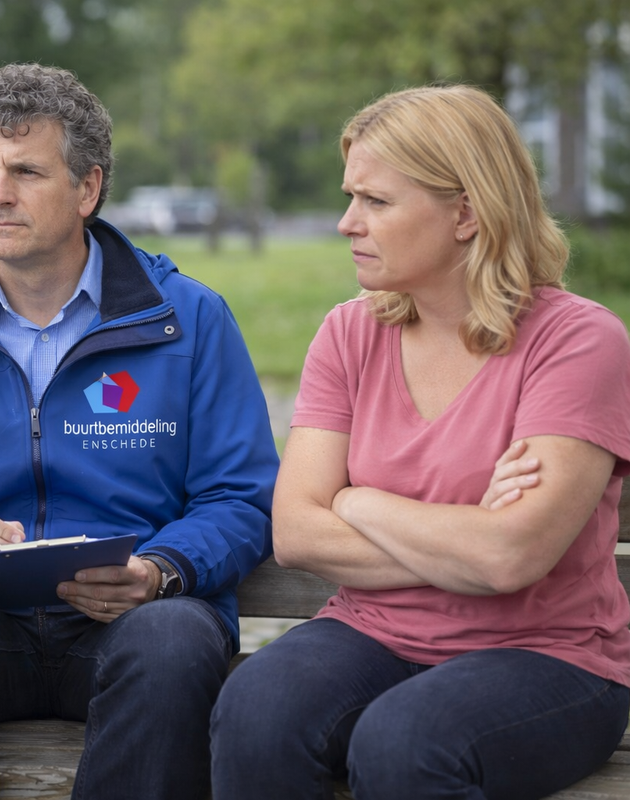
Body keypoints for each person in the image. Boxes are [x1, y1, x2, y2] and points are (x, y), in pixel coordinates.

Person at [0, 62, 278, 800]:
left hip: (130, 626)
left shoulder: (189, 320)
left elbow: (241, 497)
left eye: (27, 171)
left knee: (175, 636)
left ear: (88, 188)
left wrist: (159, 571)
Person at [210, 84, 630, 799]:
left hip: (549, 657)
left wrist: (359, 499)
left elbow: (509, 556)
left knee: (404, 742)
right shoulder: (349, 333)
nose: (347, 223)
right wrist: (462, 538)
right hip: (371, 631)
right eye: (350, 197)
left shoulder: (578, 341)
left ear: (466, 212)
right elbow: (297, 532)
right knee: (254, 709)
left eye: (375, 202)